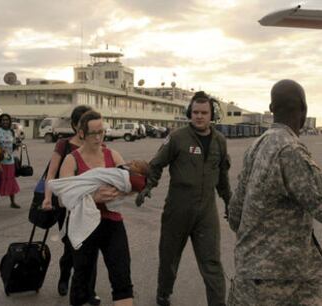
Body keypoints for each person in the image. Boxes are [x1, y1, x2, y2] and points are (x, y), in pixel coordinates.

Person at [227, 79, 322, 306]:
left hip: (248, 280)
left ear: (271, 109)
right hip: (283, 286)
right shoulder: (291, 151)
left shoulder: (257, 146)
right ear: (304, 109)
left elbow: (235, 213)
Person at [136, 91, 232, 306]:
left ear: (211, 114)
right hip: (177, 211)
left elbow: (222, 177)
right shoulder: (178, 138)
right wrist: (148, 185)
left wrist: (229, 201)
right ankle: (163, 293)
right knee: (169, 258)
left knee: (212, 263)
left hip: (206, 213)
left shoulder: (220, 141)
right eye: (195, 112)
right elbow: (157, 164)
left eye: (204, 112)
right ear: (190, 112)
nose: (199, 116)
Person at [59, 110, 134, 306]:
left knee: (122, 278)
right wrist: (93, 197)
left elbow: (130, 184)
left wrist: (127, 189)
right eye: (94, 133)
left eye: (102, 131)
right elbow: (64, 198)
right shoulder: (71, 159)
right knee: (82, 281)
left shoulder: (113, 155)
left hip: (112, 224)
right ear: (81, 133)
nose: (100, 137)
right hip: (84, 227)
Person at [41, 105, 102, 305]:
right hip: (66, 205)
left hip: (91, 205)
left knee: (91, 249)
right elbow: (52, 173)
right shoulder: (63, 144)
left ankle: (89, 291)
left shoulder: (97, 144)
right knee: (71, 248)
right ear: (76, 126)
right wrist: (47, 197)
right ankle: (64, 276)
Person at [0, 113, 20, 208]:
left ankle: (12, 202)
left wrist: (16, 145)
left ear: (9, 121)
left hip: (10, 161)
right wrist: (0, 151)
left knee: (11, 180)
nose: (5, 121)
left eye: (7, 120)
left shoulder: (12, 132)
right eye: (3, 120)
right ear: (0, 122)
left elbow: (13, 146)